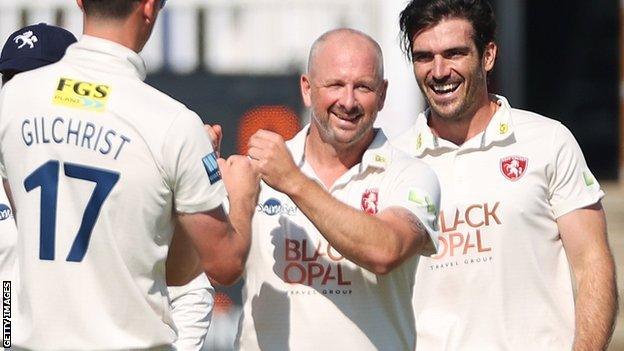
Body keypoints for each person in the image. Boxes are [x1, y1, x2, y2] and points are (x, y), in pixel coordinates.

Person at [0, 1, 257, 349]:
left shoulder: (13, 99)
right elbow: (224, 264)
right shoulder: (174, 124)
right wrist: (241, 196)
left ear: (79, 1)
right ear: (150, 7)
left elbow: (177, 273)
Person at [392, 0, 619, 349]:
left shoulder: (548, 141)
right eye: (424, 57)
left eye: (454, 53)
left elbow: (593, 265)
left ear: (488, 55)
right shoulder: (392, 160)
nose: (438, 71)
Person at [235, 28, 441, 350]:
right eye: (335, 85)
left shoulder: (412, 174)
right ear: (307, 89)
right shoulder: (257, 169)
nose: (348, 101)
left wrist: (293, 181)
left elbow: (385, 251)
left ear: (383, 94)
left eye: (363, 87)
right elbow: (218, 269)